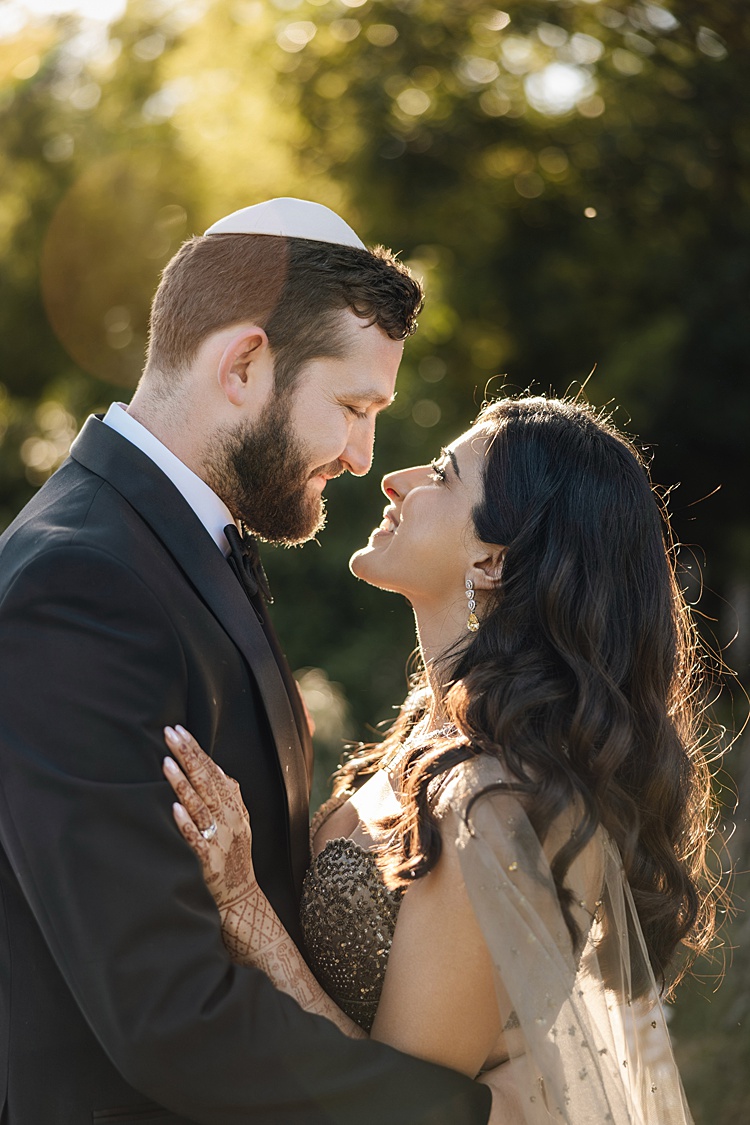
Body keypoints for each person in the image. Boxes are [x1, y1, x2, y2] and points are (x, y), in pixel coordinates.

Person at [0, 199, 492, 1123]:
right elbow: (165, 1012)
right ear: (244, 364)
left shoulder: (171, 540)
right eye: (352, 408)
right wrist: (446, 1113)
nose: (363, 455)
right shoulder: (80, 582)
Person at [163, 394, 725, 1124]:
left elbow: (396, 1110)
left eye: (442, 473)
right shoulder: (426, 736)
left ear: (493, 560)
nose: (395, 479)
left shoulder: (494, 803)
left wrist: (244, 907)